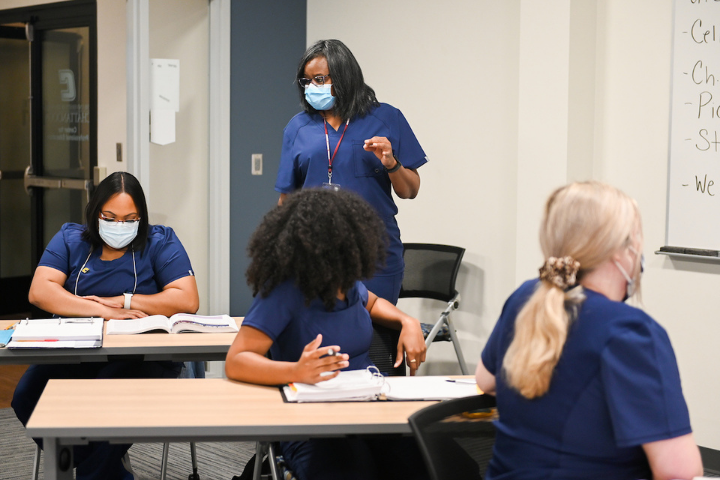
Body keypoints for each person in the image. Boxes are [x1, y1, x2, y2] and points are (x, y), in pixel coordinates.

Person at [475, 182, 703, 480]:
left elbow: (485, 379)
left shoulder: (525, 298)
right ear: (621, 251)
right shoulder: (631, 332)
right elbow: (680, 473)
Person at [225, 188, 428, 480]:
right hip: (312, 422)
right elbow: (237, 360)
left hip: (368, 409)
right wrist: (296, 370)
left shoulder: (348, 283)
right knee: (354, 472)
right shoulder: (283, 291)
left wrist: (407, 321)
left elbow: (373, 302)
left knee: (429, 461)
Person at [12, 171, 199, 480]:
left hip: (144, 358)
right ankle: (103, 466)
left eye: (130, 218)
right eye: (110, 217)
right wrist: (100, 309)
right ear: (95, 212)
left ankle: (96, 470)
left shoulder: (160, 240)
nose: (119, 226)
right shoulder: (71, 238)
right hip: (77, 351)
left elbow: (187, 298)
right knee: (26, 395)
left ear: (142, 217)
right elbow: (40, 290)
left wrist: (125, 302)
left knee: (105, 398)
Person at [275, 39, 428, 305]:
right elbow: (286, 200)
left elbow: (410, 190)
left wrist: (391, 163)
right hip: (316, 256)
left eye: (320, 79)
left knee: (377, 340)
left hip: (375, 256)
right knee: (325, 339)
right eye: (306, 81)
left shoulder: (386, 118)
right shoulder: (297, 128)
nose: (312, 87)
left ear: (344, 76)